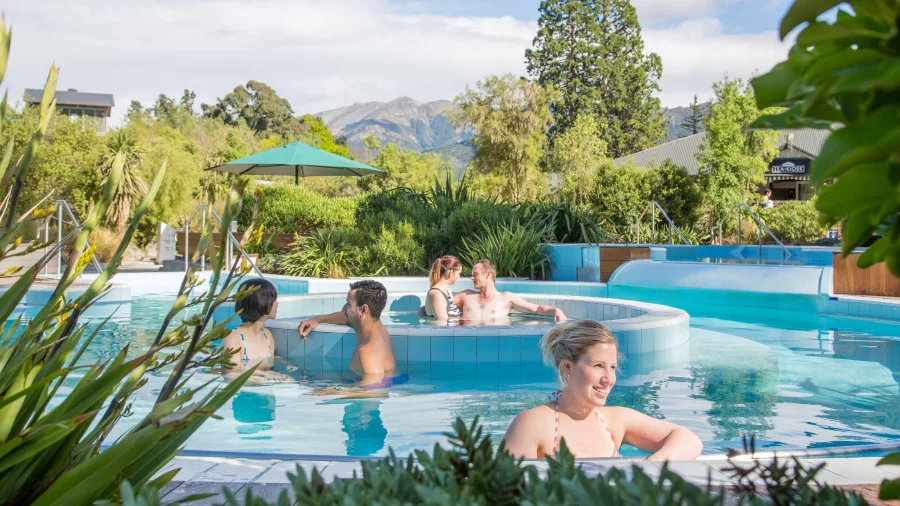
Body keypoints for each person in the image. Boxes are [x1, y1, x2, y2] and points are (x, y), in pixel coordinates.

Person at [503, 320, 702, 460]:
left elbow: (689, 440)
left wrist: (650, 470)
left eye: (613, 367)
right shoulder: (533, 424)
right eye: (598, 366)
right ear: (568, 367)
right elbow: (500, 495)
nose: (609, 379)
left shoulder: (614, 421)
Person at [296, 280, 398, 391]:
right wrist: (318, 320)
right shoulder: (377, 328)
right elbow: (351, 317)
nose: (343, 308)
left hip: (363, 405)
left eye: (348, 304)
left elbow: (376, 389)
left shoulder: (368, 351)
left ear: (364, 310)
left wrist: (332, 393)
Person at [456, 259, 566, 323]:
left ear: (488, 275)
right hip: (468, 343)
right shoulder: (465, 296)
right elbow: (443, 302)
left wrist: (556, 310)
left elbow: (536, 309)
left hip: (493, 342)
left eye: (475, 274)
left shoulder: (506, 298)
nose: (471, 278)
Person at [222, 278, 289, 382]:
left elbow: (270, 364)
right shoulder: (234, 336)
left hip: (265, 388)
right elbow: (230, 371)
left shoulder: (267, 335)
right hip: (245, 391)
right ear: (261, 302)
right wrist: (263, 376)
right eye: (274, 300)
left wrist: (287, 366)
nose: (277, 303)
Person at [424, 255, 463, 321]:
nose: (459, 277)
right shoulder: (436, 294)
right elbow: (442, 324)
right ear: (450, 273)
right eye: (458, 273)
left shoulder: (447, 290)